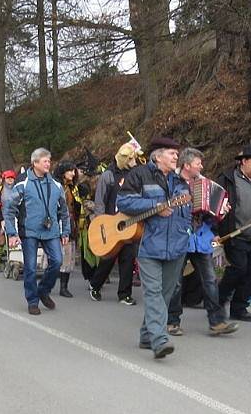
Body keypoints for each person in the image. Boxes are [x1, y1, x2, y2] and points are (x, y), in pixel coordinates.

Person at [117, 136, 190, 359]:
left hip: (177, 246)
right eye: (171, 153)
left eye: (177, 154)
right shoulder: (139, 175)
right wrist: (154, 206)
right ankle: (159, 340)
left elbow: (186, 212)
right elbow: (124, 202)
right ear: (158, 156)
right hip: (150, 244)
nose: (176, 156)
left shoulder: (180, 182)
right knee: (153, 293)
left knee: (166, 294)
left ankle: (147, 336)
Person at [166, 147, 239, 337]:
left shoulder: (205, 184)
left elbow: (210, 215)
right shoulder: (171, 182)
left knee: (210, 280)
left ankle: (217, 322)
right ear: (187, 165)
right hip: (180, 237)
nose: (202, 166)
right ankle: (172, 321)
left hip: (201, 238)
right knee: (176, 281)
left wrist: (221, 211)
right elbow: (167, 208)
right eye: (198, 163)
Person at [4, 148, 70, 315]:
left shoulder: (56, 185)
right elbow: (9, 209)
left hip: (51, 231)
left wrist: (65, 232)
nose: (48, 163)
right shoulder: (23, 183)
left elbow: (64, 211)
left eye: (49, 160)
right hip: (30, 231)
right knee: (31, 268)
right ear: (35, 163)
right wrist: (12, 233)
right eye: (45, 161)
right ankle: (32, 300)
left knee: (57, 261)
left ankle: (43, 290)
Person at [217, 145, 251, 322]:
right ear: (243, 161)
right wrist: (218, 230)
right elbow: (217, 206)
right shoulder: (228, 179)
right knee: (238, 269)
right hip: (235, 234)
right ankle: (218, 300)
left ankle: (239, 308)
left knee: (250, 273)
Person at [89, 142, 144, 304]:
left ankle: (124, 294)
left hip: (129, 223)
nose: (133, 161)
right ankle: (95, 285)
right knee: (108, 259)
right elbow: (100, 201)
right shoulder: (109, 175)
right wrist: (100, 223)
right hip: (110, 222)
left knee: (128, 259)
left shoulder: (135, 174)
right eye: (131, 159)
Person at [53, 161, 82, 298]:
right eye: (70, 170)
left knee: (69, 254)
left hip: (71, 222)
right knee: (56, 255)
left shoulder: (72, 188)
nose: (73, 173)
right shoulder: (55, 186)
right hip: (58, 222)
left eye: (73, 170)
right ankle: (48, 283)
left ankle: (64, 287)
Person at [0, 170, 16, 270]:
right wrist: (1, 219)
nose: (10, 180)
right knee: (1, 241)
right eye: (8, 178)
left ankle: (13, 260)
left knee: (14, 241)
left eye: (12, 178)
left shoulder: (17, 189)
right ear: (4, 179)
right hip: (1, 218)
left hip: (14, 218)